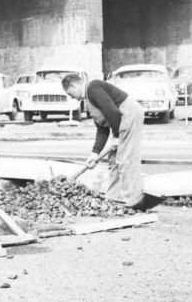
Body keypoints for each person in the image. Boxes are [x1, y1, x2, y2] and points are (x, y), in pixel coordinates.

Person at [61, 73, 150, 211]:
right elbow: (102, 128)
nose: (73, 98)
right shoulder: (89, 100)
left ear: (73, 85)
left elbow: (112, 111)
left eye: (70, 94)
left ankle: (131, 200)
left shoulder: (92, 87)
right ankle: (113, 198)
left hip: (128, 114)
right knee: (113, 159)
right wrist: (94, 153)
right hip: (120, 120)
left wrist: (116, 136)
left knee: (126, 158)